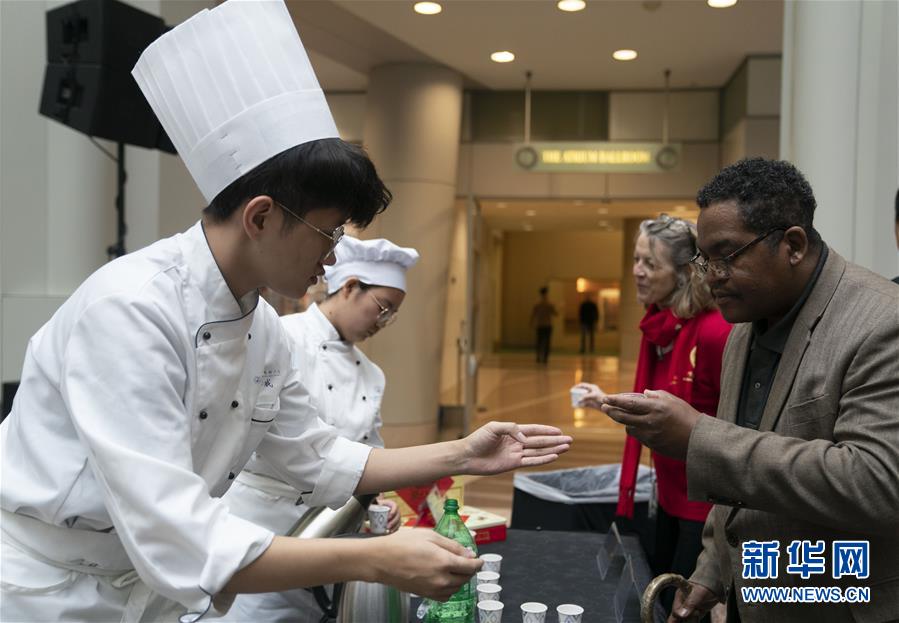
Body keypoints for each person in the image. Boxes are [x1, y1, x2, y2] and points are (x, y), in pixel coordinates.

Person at [0, 3, 573, 622]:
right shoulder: (131, 311)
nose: (332, 260)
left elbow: (319, 455)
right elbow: (180, 533)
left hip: (151, 595)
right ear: (261, 216)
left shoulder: (261, 329)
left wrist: (463, 453)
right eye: (327, 234)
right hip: (49, 592)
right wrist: (376, 558)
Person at [597, 158, 899, 623]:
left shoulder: (881, 322)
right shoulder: (745, 324)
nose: (710, 274)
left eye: (727, 255)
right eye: (703, 258)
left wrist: (698, 436)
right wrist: (713, 570)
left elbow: (877, 482)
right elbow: (740, 487)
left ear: (793, 245)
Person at [222, 235, 418, 622]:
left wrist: (376, 504)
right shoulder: (281, 336)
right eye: (382, 308)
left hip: (330, 536)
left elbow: (366, 458)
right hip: (260, 524)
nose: (384, 322)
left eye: (392, 314)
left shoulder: (371, 374)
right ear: (348, 287)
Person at [577, 215, 730, 615]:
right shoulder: (660, 327)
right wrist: (609, 401)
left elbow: (731, 424)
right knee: (657, 600)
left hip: (703, 504)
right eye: (635, 259)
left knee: (683, 606)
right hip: (666, 493)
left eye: (649, 263)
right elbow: (660, 404)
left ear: (683, 273)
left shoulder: (714, 332)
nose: (636, 272)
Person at [531, 286, 558, 364]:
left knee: (539, 341)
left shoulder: (537, 304)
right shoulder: (549, 303)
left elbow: (533, 314)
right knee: (547, 342)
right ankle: (545, 357)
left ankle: (539, 356)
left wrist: (532, 322)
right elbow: (555, 314)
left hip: (540, 325)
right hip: (547, 325)